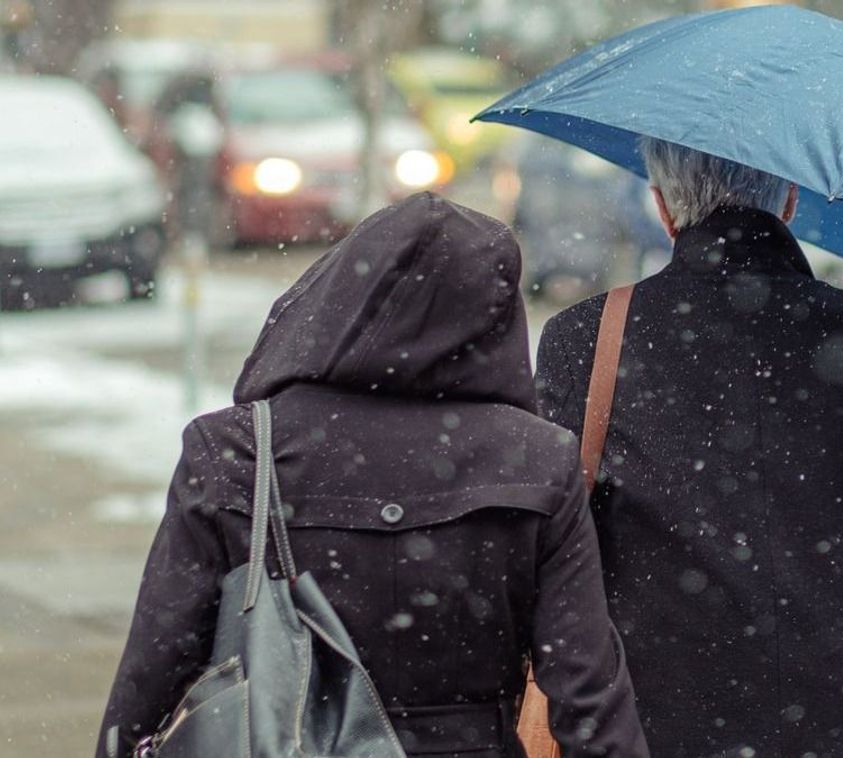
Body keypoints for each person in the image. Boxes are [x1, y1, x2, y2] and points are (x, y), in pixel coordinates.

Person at [98, 193, 649, 758]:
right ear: (494, 316)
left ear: (336, 296)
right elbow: (587, 693)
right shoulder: (536, 459)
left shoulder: (237, 449)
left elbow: (155, 670)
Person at [535, 138, 843, 757]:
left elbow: (554, 555)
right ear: (792, 199)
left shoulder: (585, 340)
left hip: (653, 727)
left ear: (664, 207)